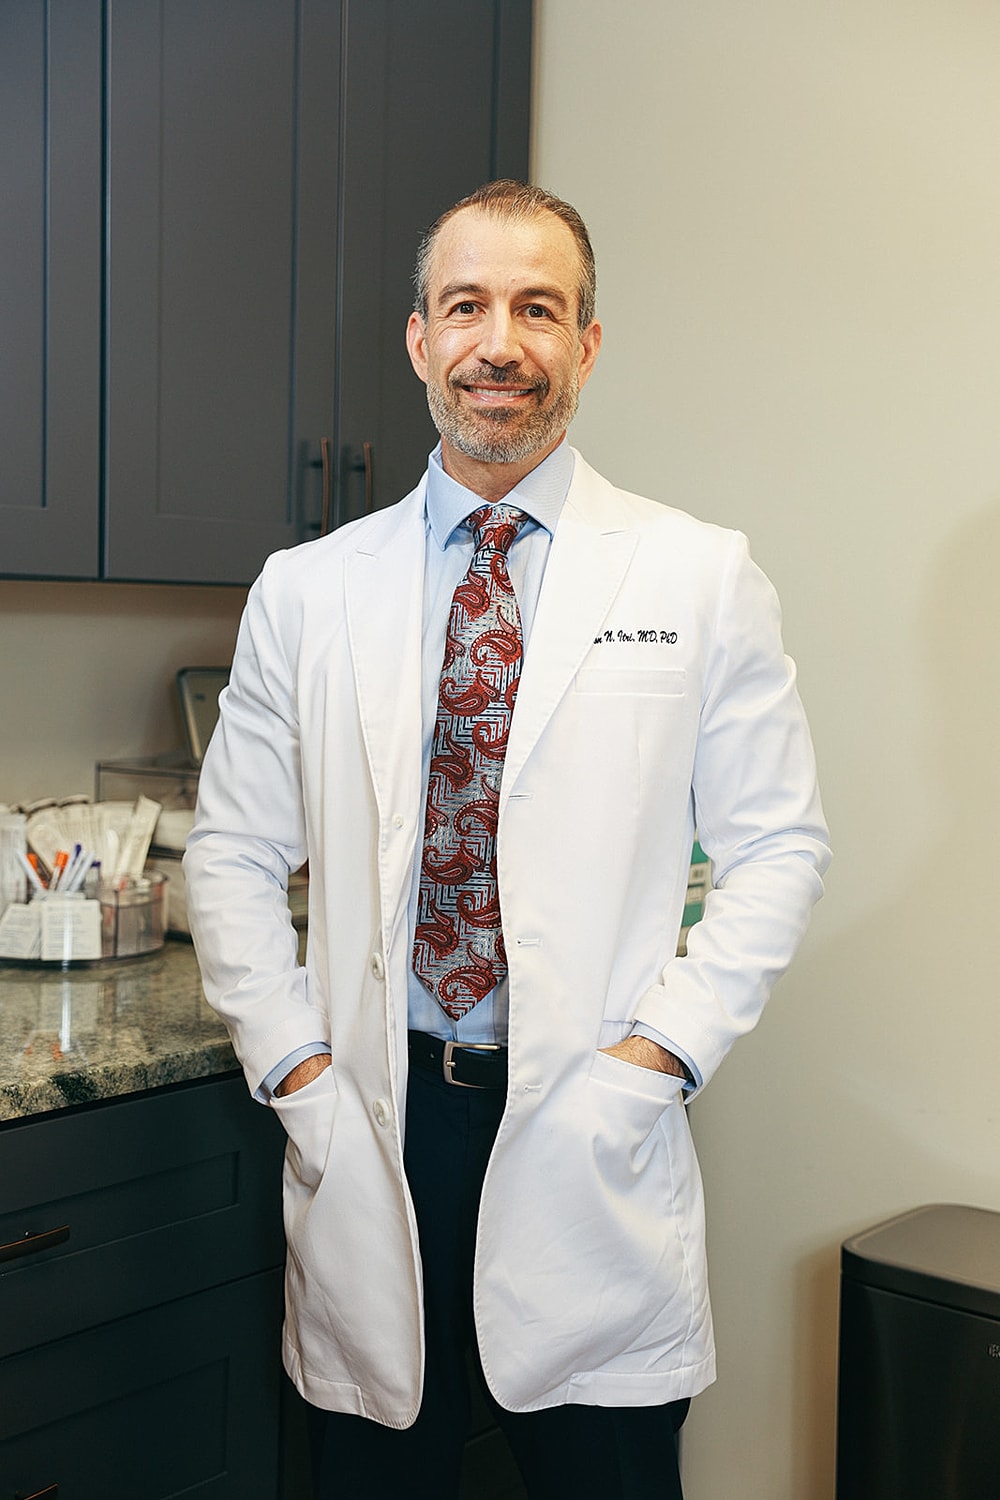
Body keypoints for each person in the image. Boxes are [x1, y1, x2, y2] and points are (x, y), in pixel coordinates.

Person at [184, 180, 831, 1500]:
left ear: (587, 344)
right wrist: (299, 1075)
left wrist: (659, 1059)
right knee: (378, 1476)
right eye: (467, 305)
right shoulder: (308, 592)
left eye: (540, 308)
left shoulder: (698, 576)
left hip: (590, 1118)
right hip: (375, 1114)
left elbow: (779, 848)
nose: (502, 343)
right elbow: (233, 854)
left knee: (604, 1469)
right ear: (421, 340)